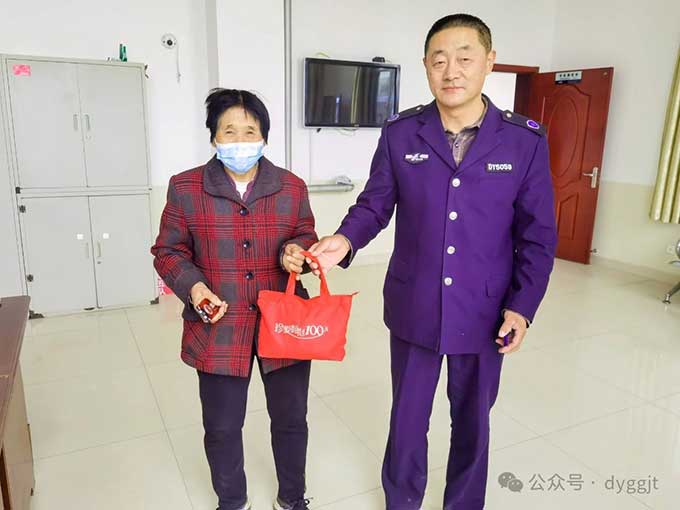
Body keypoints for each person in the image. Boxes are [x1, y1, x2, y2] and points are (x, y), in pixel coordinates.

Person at [295, 14, 558, 510]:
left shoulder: (524, 141)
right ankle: (402, 501)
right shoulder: (401, 134)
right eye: (439, 61)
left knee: (473, 422)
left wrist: (522, 307)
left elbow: (538, 236)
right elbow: (375, 204)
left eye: (465, 58)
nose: (451, 71)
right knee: (408, 418)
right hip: (414, 303)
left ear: (489, 62)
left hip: (486, 312)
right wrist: (344, 241)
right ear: (425, 66)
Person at [151, 89, 316, 510]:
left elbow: (305, 234)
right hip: (219, 325)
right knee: (222, 427)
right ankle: (232, 501)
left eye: (250, 131)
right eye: (229, 131)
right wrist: (194, 287)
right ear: (213, 137)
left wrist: (296, 251)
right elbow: (168, 251)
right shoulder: (186, 187)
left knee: (291, 420)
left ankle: (292, 498)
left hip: (283, 321)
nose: (240, 140)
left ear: (264, 137)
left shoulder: (291, 187)